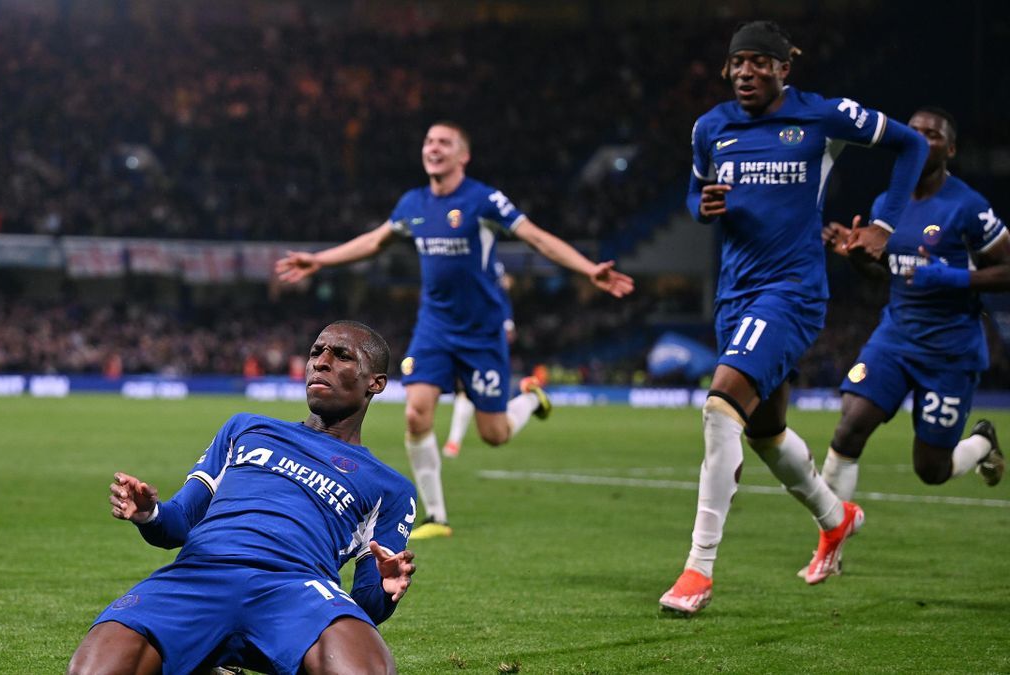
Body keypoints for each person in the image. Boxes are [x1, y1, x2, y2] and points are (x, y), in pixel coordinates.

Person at [659, 20, 929, 615]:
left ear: (786, 67)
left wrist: (884, 223)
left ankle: (697, 570)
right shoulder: (710, 128)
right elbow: (695, 193)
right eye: (738, 62)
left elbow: (913, 144)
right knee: (763, 430)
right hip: (736, 295)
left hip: (792, 292)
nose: (747, 72)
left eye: (761, 62)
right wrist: (700, 207)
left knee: (720, 404)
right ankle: (836, 518)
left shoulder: (822, 116)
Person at [276, 121, 634, 540]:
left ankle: (530, 400)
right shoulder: (413, 202)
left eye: (444, 142)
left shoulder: (483, 200)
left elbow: (536, 237)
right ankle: (437, 517)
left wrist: (590, 269)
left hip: (483, 333)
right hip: (436, 327)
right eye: (428, 140)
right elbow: (374, 241)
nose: (434, 147)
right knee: (416, 413)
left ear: (463, 156)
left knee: (494, 434)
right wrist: (320, 261)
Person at [68, 320, 418, 675]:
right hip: (198, 576)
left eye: (341, 356)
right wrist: (149, 513)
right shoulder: (247, 429)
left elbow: (367, 604)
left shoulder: (390, 487)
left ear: (376, 382)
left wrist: (386, 587)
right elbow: (179, 524)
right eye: (316, 352)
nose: (320, 362)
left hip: (296, 588)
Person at [808, 107, 1007, 578]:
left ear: (949, 150)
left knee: (931, 469)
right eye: (913, 132)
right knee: (849, 426)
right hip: (894, 337)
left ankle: (980, 442)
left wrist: (954, 277)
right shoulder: (886, 205)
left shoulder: (968, 207)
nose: (920, 139)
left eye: (932, 135)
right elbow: (883, 273)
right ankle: (830, 546)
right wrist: (855, 256)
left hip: (949, 351)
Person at [444, 262, 516, 458]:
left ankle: (531, 399)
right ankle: (453, 442)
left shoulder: (492, 265)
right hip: (453, 332)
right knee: (463, 389)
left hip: (483, 337)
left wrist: (507, 323)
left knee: (494, 431)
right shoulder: (448, 255)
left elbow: (501, 296)